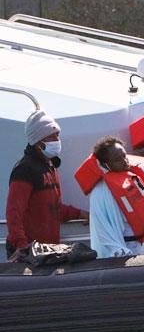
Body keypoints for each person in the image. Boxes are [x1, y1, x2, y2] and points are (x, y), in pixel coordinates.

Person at [5, 110, 87, 259]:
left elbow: (54, 208)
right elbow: (13, 212)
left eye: (57, 135)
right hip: (30, 253)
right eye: (52, 136)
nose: (57, 139)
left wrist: (81, 214)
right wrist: (22, 247)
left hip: (46, 251)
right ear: (38, 141)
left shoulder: (50, 166)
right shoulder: (24, 169)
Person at [77, 136, 144, 259]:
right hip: (128, 249)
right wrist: (120, 254)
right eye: (118, 160)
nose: (125, 161)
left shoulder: (133, 177)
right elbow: (103, 230)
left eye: (124, 156)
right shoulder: (101, 193)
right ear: (105, 165)